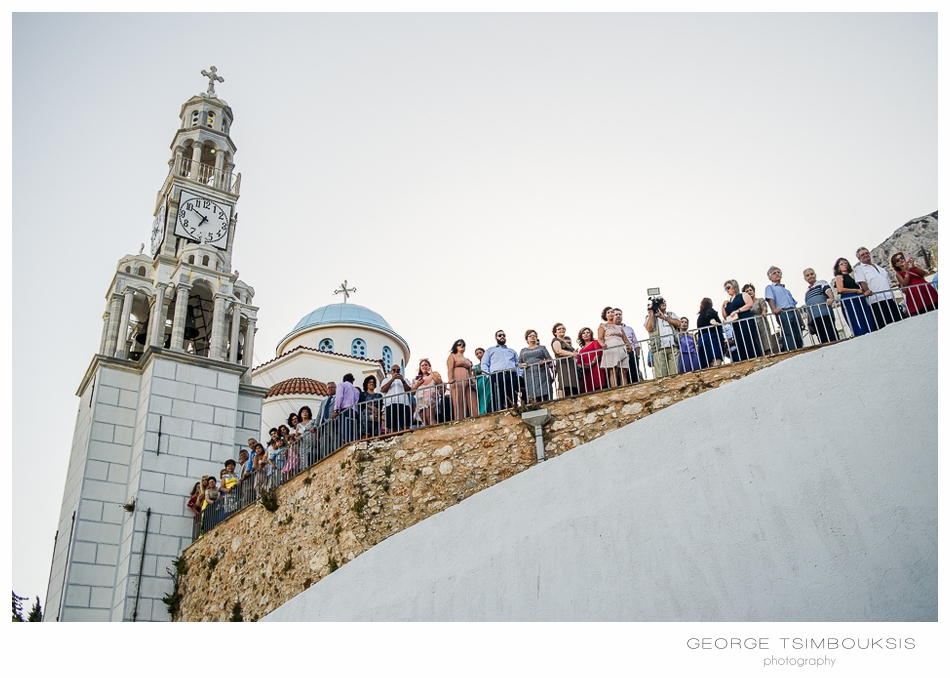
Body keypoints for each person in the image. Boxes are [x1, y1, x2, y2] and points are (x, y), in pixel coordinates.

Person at [854, 247, 901, 330]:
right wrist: (867, 290)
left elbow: (888, 283)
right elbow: (862, 282)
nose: (866, 255)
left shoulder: (880, 268)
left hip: (890, 299)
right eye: (862, 254)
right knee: (884, 327)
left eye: (867, 253)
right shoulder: (859, 269)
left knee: (899, 323)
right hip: (876, 301)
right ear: (859, 258)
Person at [764, 266, 804, 351]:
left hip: (793, 311)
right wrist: (774, 309)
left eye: (778, 272)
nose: (777, 274)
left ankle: (800, 349)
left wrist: (801, 319)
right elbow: (770, 299)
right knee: (788, 333)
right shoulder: (770, 287)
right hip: (783, 312)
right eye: (774, 273)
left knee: (798, 332)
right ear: (770, 277)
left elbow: (794, 305)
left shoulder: (786, 290)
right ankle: (792, 351)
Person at [722, 279, 762, 361]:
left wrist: (738, 311)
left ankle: (756, 358)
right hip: (736, 325)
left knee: (748, 340)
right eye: (726, 288)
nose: (727, 290)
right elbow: (726, 316)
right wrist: (722, 306)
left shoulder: (742, 295)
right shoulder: (729, 302)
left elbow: (750, 304)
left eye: (728, 287)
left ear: (734, 286)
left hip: (745, 320)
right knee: (739, 343)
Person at [834, 257, 873, 337]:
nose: (844, 265)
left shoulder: (849, 276)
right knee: (856, 317)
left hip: (857, 298)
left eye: (846, 263)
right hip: (849, 299)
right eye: (841, 264)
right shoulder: (839, 276)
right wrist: (855, 290)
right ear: (838, 267)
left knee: (864, 316)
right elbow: (840, 289)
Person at [482, 330, 520, 410]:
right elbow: (484, 364)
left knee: (512, 397)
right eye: (500, 335)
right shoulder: (490, 350)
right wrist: (488, 376)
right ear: (496, 338)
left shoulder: (511, 351)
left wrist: (519, 375)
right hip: (497, 375)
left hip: (511, 375)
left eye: (503, 335)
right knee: (498, 397)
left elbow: (518, 363)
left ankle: (514, 412)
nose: (502, 336)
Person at [890, 252, 937, 316]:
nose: (901, 260)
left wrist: (913, 266)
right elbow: (904, 284)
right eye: (897, 260)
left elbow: (924, 273)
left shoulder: (914, 268)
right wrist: (906, 271)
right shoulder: (898, 274)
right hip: (915, 295)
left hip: (926, 290)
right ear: (895, 265)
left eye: (902, 258)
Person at [644, 297, 680, 377]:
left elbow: (678, 323)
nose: (663, 302)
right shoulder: (650, 317)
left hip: (673, 347)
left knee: (675, 374)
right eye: (661, 302)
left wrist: (664, 317)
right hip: (659, 348)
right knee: (661, 375)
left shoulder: (670, 314)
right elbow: (649, 328)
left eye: (664, 301)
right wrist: (651, 314)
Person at [598, 307, 633, 388]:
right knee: (614, 371)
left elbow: (625, 339)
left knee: (623, 371)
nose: (611, 313)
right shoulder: (603, 326)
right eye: (608, 312)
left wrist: (629, 345)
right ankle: (615, 389)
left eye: (612, 312)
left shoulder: (619, 327)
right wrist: (602, 344)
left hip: (621, 348)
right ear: (605, 316)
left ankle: (625, 388)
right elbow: (599, 338)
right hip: (610, 348)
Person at [803, 268, 837, 345]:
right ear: (805, 279)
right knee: (822, 339)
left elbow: (828, 290)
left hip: (825, 315)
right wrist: (809, 324)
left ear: (815, 275)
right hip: (814, 319)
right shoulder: (806, 292)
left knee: (831, 335)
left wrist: (831, 298)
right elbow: (808, 308)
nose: (810, 276)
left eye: (812, 274)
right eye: (807, 275)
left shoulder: (821, 283)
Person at [445, 340, 478, 420]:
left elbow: (470, 372)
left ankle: (476, 418)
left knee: (472, 400)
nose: (462, 346)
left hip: (468, 381)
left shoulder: (467, 359)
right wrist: (451, 379)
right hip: (457, 380)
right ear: (455, 346)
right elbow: (450, 368)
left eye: (464, 345)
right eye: (460, 344)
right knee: (459, 401)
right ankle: (459, 419)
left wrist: (474, 382)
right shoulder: (453, 356)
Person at [519, 330, 553, 403]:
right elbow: (519, 363)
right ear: (526, 338)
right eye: (530, 336)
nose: (532, 337)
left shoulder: (542, 348)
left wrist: (543, 362)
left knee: (543, 392)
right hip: (529, 374)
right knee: (533, 393)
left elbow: (548, 358)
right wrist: (523, 365)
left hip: (541, 373)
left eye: (534, 336)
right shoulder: (523, 350)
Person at [745, 284, 778, 355]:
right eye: (747, 291)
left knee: (766, 343)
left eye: (750, 290)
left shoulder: (760, 300)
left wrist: (764, 311)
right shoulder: (746, 305)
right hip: (753, 325)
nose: (749, 292)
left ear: (754, 291)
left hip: (762, 323)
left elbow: (764, 307)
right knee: (757, 343)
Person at [380, 364, 414, 432]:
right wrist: (392, 379)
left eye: (397, 370)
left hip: (404, 403)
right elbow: (383, 390)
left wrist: (403, 380)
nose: (396, 371)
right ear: (391, 371)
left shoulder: (405, 380)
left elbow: (408, 390)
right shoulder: (386, 380)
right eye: (394, 370)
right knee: (392, 425)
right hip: (391, 404)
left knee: (405, 424)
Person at [612, 309, 642, 384]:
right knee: (619, 374)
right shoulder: (609, 329)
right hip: (617, 354)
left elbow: (636, 344)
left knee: (634, 375)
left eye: (620, 314)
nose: (618, 316)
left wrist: (637, 356)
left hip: (630, 354)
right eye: (616, 314)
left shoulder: (629, 329)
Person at [550, 323, 580, 397]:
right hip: (563, 365)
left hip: (570, 366)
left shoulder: (564, 342)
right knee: (566, 384)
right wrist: (572, 354)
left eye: (563, 328)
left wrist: (574, 353)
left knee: (572, 386)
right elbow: (558, 351)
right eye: (559, 329)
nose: (561, 330)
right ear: (555, 332)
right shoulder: (556, 340)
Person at [411, 359, 442, 426]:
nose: (424, 366)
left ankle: (435, 432)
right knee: (424, 420)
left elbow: (440, 383)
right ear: (420, 367)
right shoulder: (416, 379)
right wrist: (418, 384)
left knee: (429, 418)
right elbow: (412, 392)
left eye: (426, 365)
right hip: (420, 401)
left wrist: (431, 373)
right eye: (422, 365)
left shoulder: (434, 375)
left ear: (429, 366)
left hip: (430, 400)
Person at [696, 298, 724, 368]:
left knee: (708, 361)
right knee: (717, 358)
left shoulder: (700, 316)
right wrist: (714, 322)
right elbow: (711, 319)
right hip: (712, 338)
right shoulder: (710, 310)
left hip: (703, 340)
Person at [576, 327, 606, 393]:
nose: (586, 334)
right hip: (586, 371)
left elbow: (598, 353)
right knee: (589, 389)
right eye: (583, 333)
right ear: (581, 336)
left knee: (599, 386)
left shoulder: (595, 342)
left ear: (591, 334)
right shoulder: (581, 350)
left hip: (596, 367)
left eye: (587, 332)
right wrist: (583, 366)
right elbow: (578, 361)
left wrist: (591, 363)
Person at [332, 373, 360, 443]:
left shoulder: (341, 385)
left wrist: (336, 410)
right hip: (355, 412)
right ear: (352, 381)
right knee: (353, 432)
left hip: (345, 411)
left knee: (346, 432)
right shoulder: (356, 390)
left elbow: (339, 397)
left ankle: (348, 446)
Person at [473, 348, 492, 415]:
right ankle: (482, 412)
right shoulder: (476, 366)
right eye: (477, 354)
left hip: (488, 381)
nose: (479, 355)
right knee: (482, 398)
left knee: (489, 396)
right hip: (480, 384)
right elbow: (474, 375)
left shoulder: (489, 363)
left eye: (480, 353)